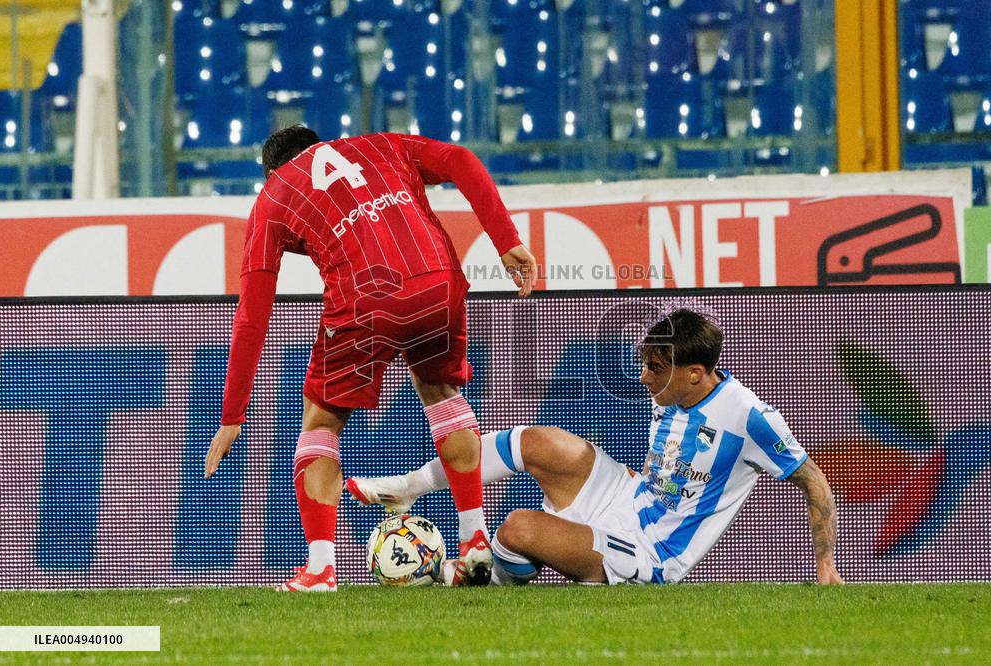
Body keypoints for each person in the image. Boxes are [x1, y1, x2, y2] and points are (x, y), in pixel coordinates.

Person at [203, 126, 538, 592]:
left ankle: (320, 568)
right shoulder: (383, 144)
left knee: (320, 421)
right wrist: (504, 239)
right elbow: (461, 157)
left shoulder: (274, 197)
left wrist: (233, 413)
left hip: (365, 298)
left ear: (272, 171)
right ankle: (473, 538)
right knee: (442, 392)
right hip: (438, 280)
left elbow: (252, 314)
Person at [348, 309, 844, 585]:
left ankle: (473, 581)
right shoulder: (671, 389)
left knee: (519, 527)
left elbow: (814, 482)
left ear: (696, 373)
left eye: (655, 368)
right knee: (536, 440)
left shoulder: (748, 417)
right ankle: (409, 487)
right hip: (626, 496)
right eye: (644, 363)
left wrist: (825, 568)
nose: (643, 376)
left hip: (651, 554)